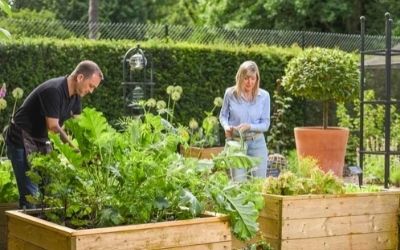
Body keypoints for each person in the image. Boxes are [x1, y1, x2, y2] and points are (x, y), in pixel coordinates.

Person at [5, 60, 103, 208]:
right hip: (21, 138)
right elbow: (53, 127)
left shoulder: (76, 98)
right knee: (31, 196)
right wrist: (74, 150)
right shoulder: (54, 90)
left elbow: (79, 129)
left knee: (52, 192)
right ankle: (28, 230)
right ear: (80, 77)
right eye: (91, 86)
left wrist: (90, 152)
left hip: (41, 140)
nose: (91, 91)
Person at [219, 60, 270, 181]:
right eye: (246, 78)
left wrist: (250, 126)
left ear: (257, 79)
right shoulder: (230, 94)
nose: (250, 82)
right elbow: (223, 116)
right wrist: (226, 127)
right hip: (236, 144)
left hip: (257, 143)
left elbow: (266, 124)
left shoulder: (264, 96)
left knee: (259, 184)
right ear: (240, 77)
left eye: (253, 78)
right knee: (239, 184)